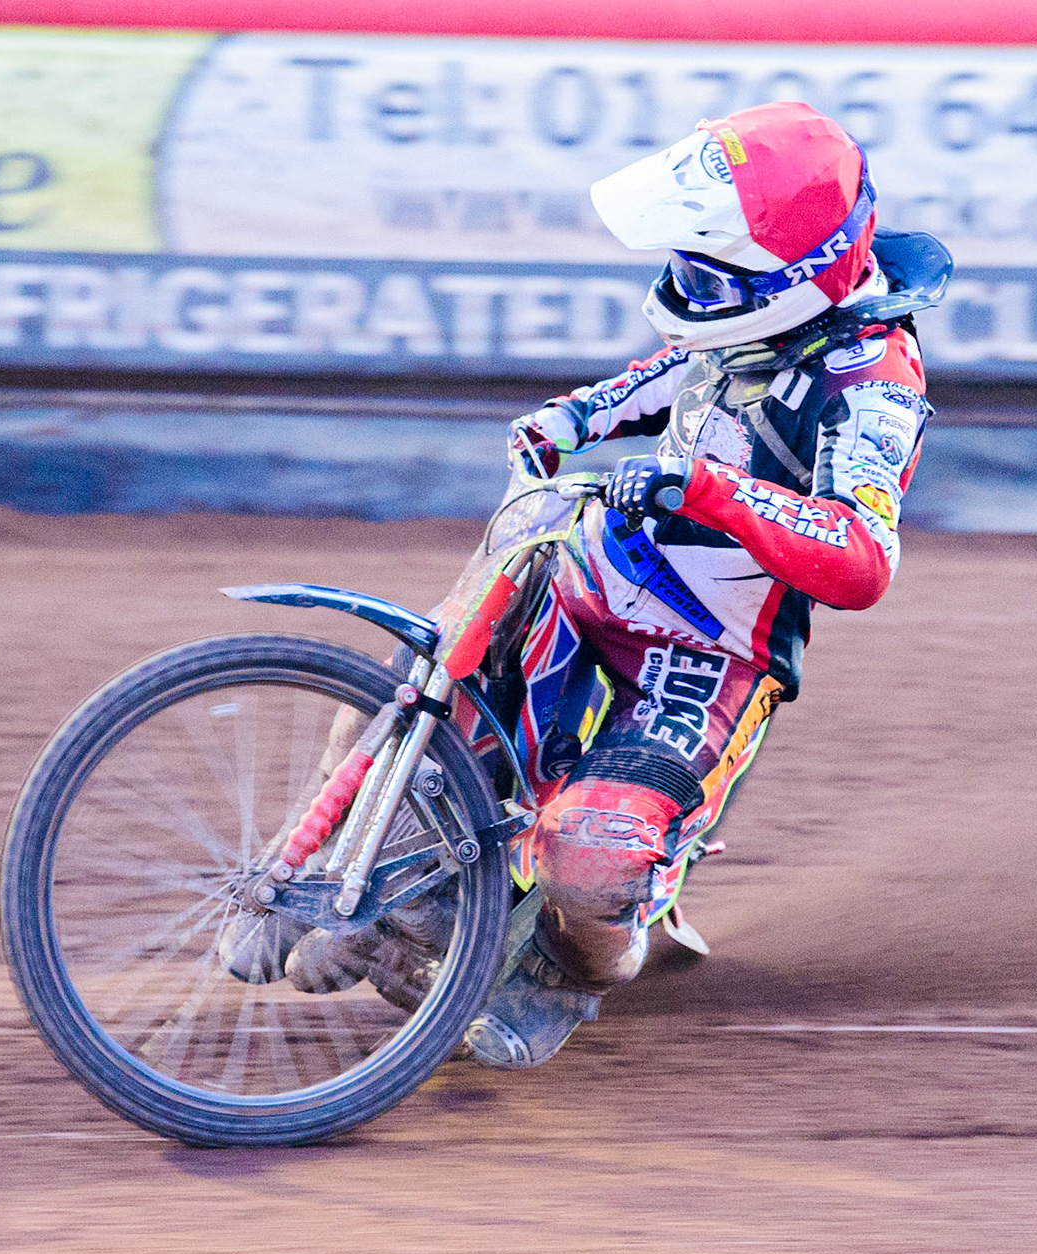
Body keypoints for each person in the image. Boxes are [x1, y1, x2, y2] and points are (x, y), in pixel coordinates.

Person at [273, 101, 950, 1068]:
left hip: (709, 650)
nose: (685, 284)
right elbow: (674, 370)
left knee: (592, 859)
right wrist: (572, 419)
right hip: (598, 568)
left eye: (708, 272)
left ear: (792, 280)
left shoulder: (872, 380)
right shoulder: (740, 318)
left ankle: (571, 967)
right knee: (413, 676)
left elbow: (860, 554)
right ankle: (323, 860)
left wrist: (709, 488)